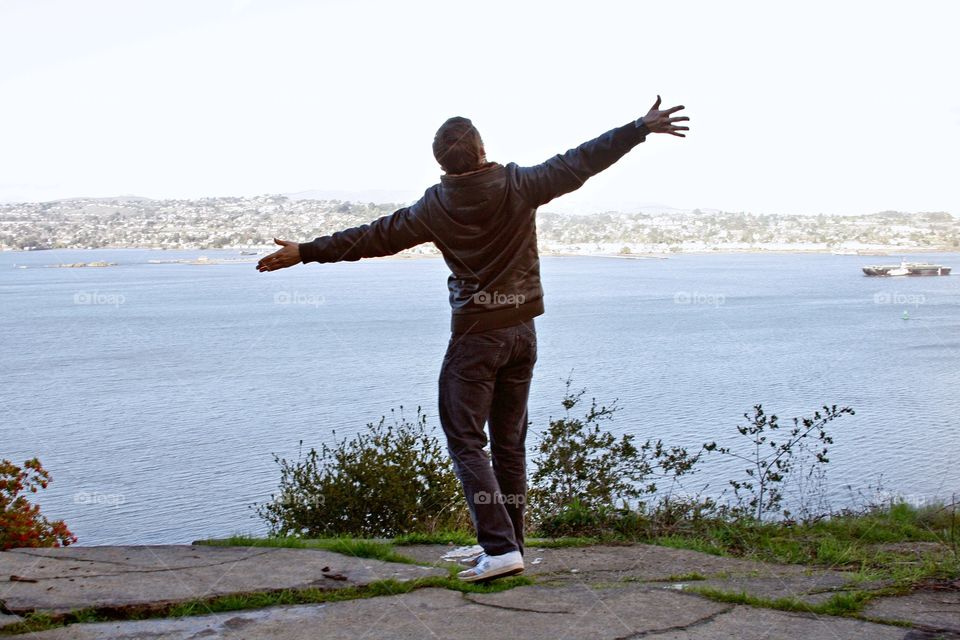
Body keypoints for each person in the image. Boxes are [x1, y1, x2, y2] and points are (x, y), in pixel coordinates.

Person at [257, 97, 689, 581]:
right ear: (482, 151)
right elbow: (581, 160)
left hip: (476, 338)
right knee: (508, 443)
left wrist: (307, 252)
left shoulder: (433, 207)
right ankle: (510, 546)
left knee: (466, 439)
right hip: (522, 333)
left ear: (441, 162)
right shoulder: (520, 184)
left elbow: (372, 237)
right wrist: (638, 128)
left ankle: (500, 547)